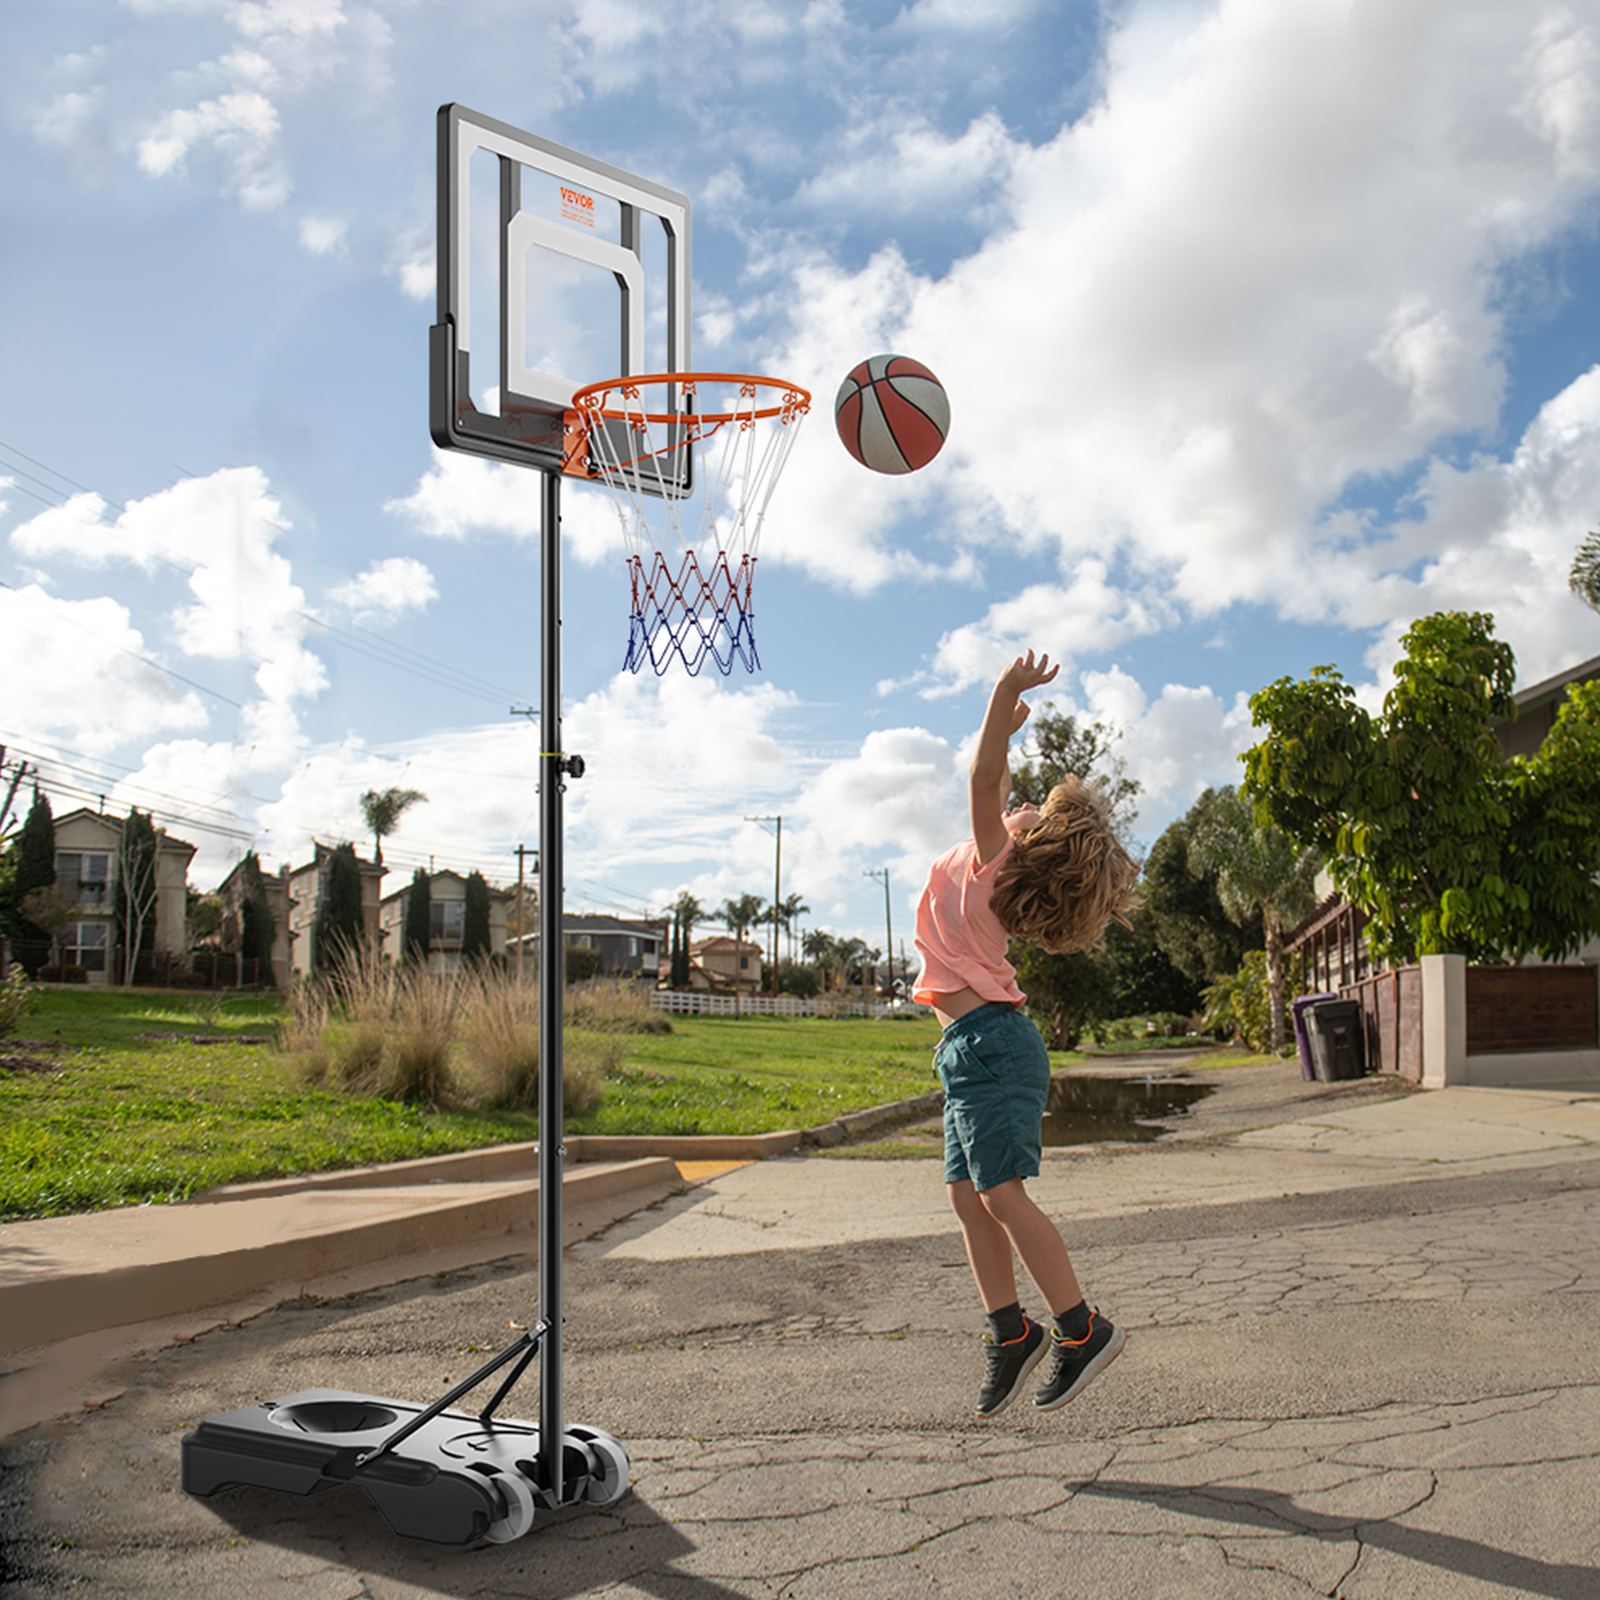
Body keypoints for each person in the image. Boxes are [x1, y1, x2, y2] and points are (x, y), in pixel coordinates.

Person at [913, 649, 1140, 1418]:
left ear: (1025, 848)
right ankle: (1011, 1334)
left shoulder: (995, 862)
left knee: (999, 1193)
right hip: (971, 1050)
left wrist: (1002, 692)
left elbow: (983, 781)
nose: (1020, 806)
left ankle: (1082, 1329)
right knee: (967, 1197)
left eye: (1030, 815)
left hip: (992, 1047)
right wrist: (1006, 733)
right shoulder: (1001, 860)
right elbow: (993, 776)